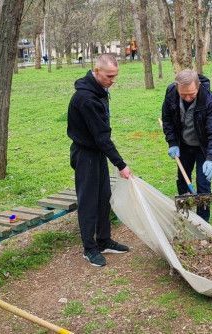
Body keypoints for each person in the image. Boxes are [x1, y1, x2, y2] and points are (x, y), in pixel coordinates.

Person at [67, 54, 132, 267]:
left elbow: (101, 136)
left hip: (97, 152)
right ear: (96, 72)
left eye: (115, 76)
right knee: (88, 202)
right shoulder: (87, 99)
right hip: (86, 154)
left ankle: (104, 241)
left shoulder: (99, 90)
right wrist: (120, 164)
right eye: (109, 76)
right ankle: (89, 248)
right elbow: (101, 136)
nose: (112, 80)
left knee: (104, 196)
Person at [162, 69, 212, 222]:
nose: (188, 98)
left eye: (192, 94)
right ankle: (185, 218)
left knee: (203, 186)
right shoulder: (171, 93)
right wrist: (172, 142)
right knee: (183, 181)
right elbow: (167, 119)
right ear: (177, 88)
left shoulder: (209, 100)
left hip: (203, 147)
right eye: (183, 95)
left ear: (198, 87)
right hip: (183, 145)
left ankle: (203, 224)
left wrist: (211, 157)